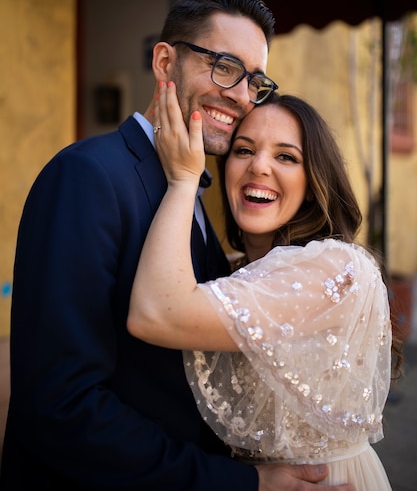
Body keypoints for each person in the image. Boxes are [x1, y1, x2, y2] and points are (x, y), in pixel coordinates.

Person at [0, 0, 347, 491]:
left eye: (255, 81)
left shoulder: (193, 191)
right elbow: (61, 404)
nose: (241, 96)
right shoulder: (89, 176)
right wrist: (238, 482)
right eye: (225, 66)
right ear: (165, 63)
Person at [128, 82, 396, 489]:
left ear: (313, 182)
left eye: (286, 156)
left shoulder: (337, 267)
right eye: (244, 150)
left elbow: (157, 313)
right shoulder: (235, 271)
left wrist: (183, 181)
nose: (258, 167)